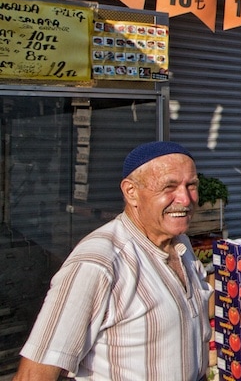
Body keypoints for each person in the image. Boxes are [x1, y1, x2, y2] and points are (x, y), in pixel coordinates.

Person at [13, 141, 213, 381]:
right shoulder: (99, 262)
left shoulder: (181, 244)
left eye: (191, 185)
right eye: (169, 187)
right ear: (131, 192)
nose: (185, 198)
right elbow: (35, 374)